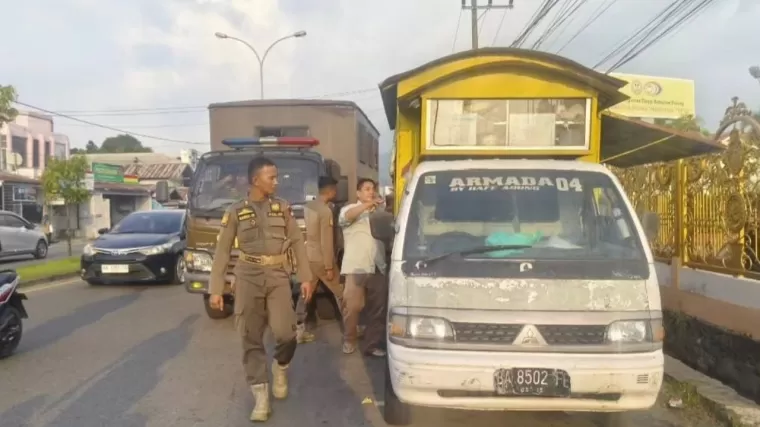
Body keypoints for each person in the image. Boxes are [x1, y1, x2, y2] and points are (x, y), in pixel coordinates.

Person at [208, 156, 315, 422]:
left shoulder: (282, 208)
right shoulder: (235, 211)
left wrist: (305, 276)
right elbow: (222, 251)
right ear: (256, 180)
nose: (277, 182)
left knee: (286, 332)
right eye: (272, 177)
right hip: (247, 276)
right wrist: (216, 288)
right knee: (250, 337)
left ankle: (281, 366)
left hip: (278, 275)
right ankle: (261, 396)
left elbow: (298, 243)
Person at [338, 178, 388, 357]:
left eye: (373, 189)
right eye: (366, 189)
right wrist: (367, 205)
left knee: (378, 309)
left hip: (377, 266)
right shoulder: (349, 210)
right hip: (356, 267)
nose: (371, 192)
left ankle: (371, 345)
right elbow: (348, 216)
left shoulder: (379, 212)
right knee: (352, 307)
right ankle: (349, 339)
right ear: (358, 193)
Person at [296, 176, 344, 343]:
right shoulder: (325, 211)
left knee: (306, 293)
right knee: (340, 292)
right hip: (321, 259)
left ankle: (298, 329)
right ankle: (351, 327)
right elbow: (326, 241)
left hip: (308, 255)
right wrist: (330, 266)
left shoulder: (308, 206)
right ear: (330, 191)